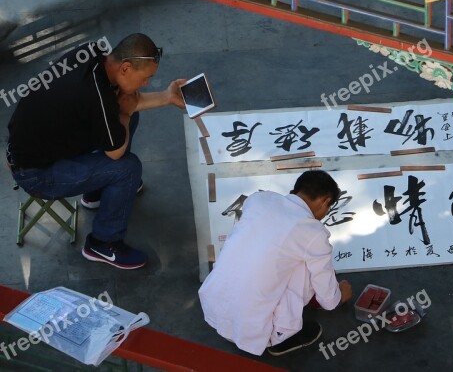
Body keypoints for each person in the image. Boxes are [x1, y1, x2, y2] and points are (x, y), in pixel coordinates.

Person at [6, 33, 186, 269]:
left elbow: (127, 104)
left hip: (42, 143)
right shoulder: (97, 95)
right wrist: (126, 113)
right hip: (37, 173)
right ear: (126, 68)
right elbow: (116, 152)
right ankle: (103, 243)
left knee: (125, 121)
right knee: (128, 169)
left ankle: (97, 193)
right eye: (145, 78)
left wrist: (167, 96)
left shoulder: (93, 55)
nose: (145, 84)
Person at [199, 170, 353, 356]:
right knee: (307, 266)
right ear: (325, 201)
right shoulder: (312, 231)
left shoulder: (258, 199)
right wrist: (340, 295)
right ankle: (279, 336)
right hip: (253, 331)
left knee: (267, 253)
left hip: (214, 309)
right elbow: (329, 301)